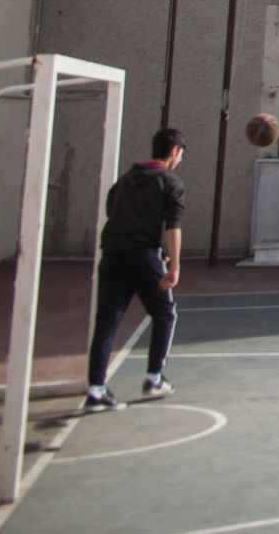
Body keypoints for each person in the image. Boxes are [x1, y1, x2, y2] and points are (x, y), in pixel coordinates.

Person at [83, 128, 188, 412]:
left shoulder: (124, 181)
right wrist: (174, 265)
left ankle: (96, 389)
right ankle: (154, 376)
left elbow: (114, 214)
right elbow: (173, 227)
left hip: (113, 255)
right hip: (142, 255)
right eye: (180, 155)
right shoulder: (170, 182)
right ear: (174, 152)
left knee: (106, 323)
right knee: (165, 313)